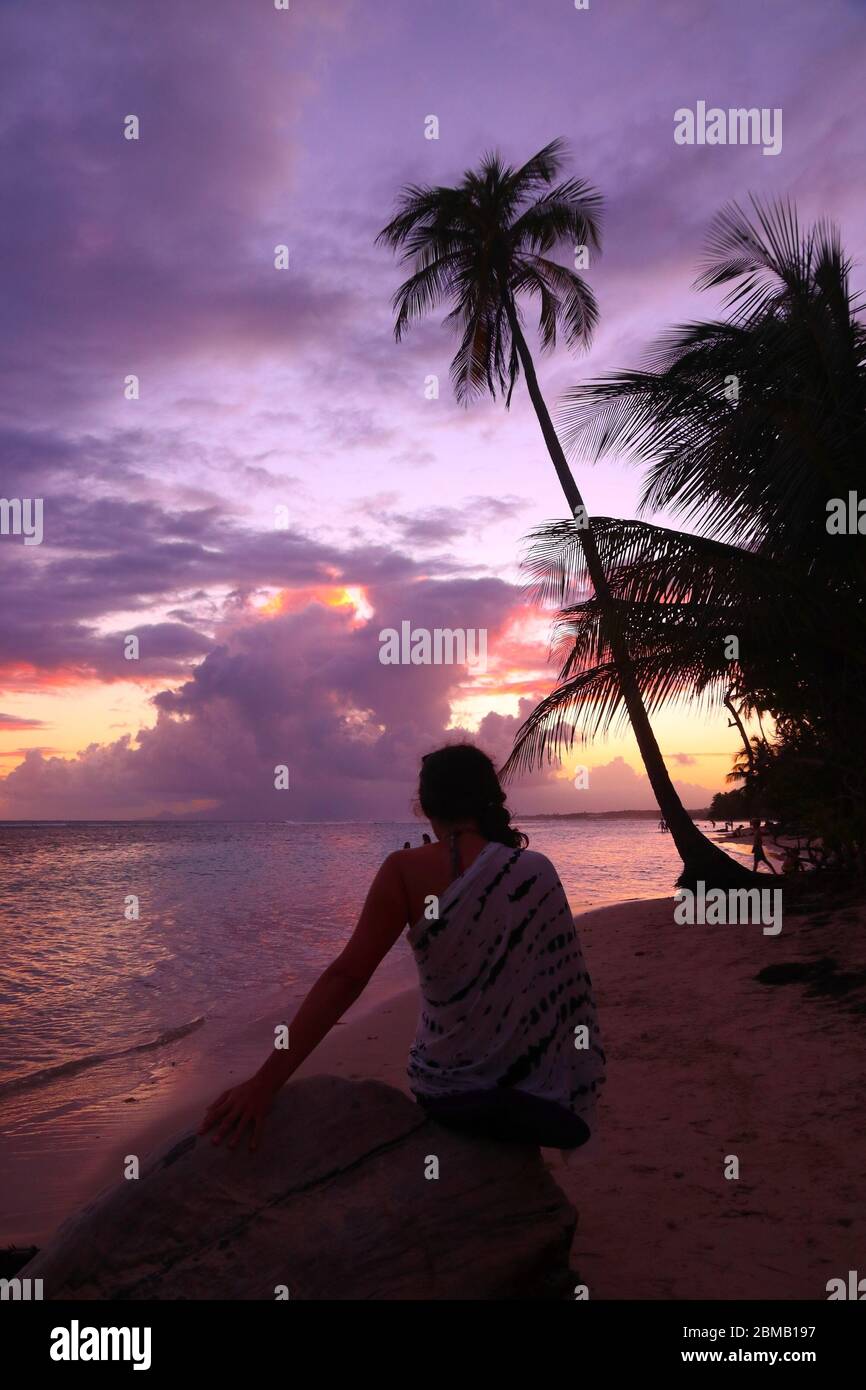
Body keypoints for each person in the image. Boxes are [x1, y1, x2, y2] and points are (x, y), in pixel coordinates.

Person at [200, 743, 606, 1153]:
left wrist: (264, 1083)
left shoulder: (403, 870)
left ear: (425, 804)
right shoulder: (535, 869)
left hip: (450, 1092)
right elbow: (565, 986)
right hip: (539, 1096)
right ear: (488, 799)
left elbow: (348, 977)